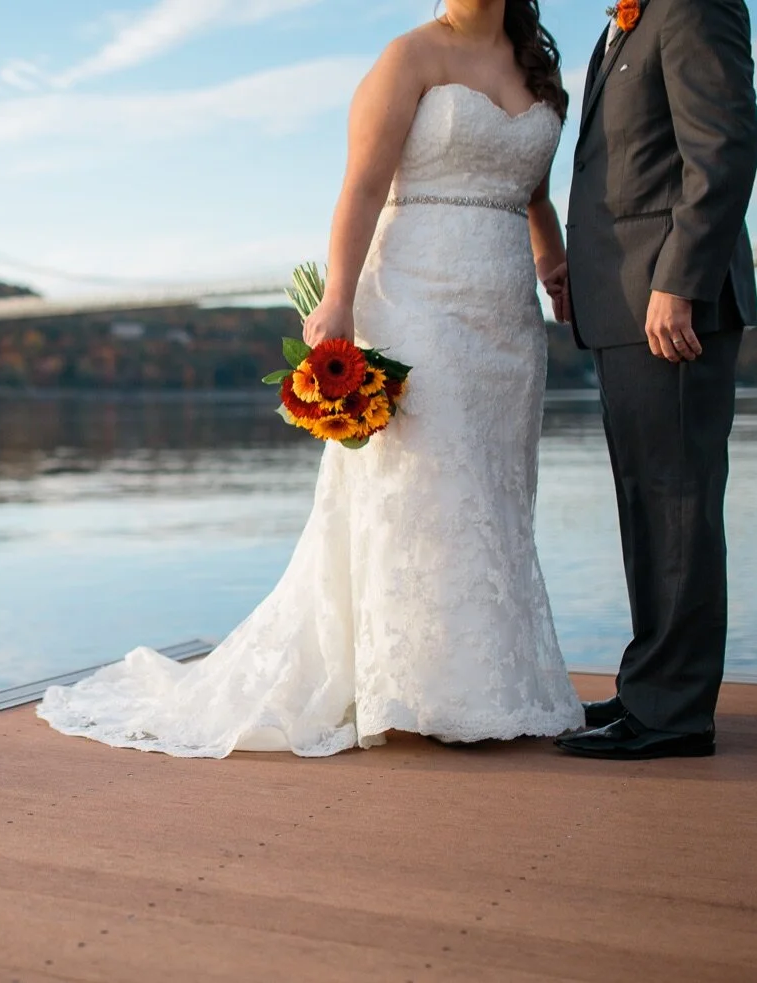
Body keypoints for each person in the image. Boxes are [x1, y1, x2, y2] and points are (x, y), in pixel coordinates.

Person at [38, 0, 584, 756]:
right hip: (417, 299)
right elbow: (361, 187)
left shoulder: (537, 67)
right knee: (431, 485)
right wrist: (336, 298)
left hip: (505, 317)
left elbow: (532, 195)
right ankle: (419, 688)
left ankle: (490, 682)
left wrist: (552, 264)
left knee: (495, 488)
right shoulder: (411, 56)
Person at [552, 0, 757, 760]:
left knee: (678, 507)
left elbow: (726, 145)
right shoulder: (624, 27)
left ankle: (673, 711)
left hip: (670, 305)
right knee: (649, 506)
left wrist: (680, 280)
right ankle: (652, 687)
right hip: (624, 305)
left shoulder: (693, 5)